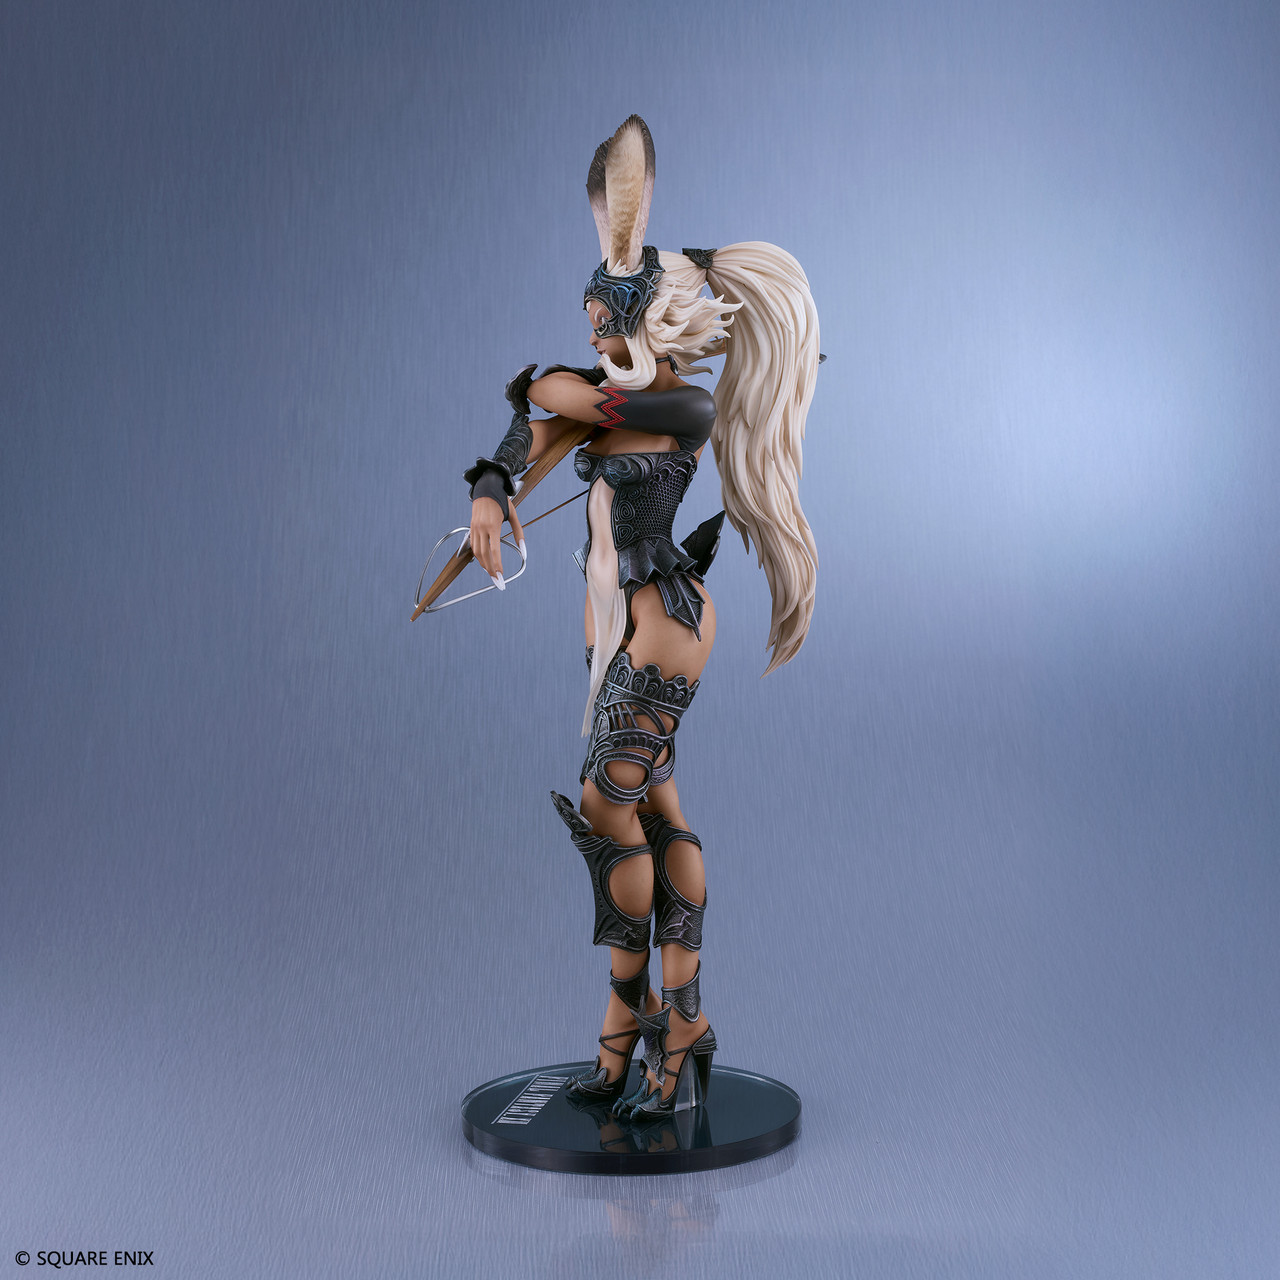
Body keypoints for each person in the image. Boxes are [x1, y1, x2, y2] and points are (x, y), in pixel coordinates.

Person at [463, 117, 819, 1120]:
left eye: (602, 322)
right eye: (585, 321)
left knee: (604, 807)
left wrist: (542, 389)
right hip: (616, 625)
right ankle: (660, 1033)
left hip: (662, 619)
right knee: (653, 808)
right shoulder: (601, 393)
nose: (590, 338)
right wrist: (490, 486)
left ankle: (652, 1017)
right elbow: (537, 424)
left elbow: (572, 402)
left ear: (646, 325)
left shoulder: (681, 410)